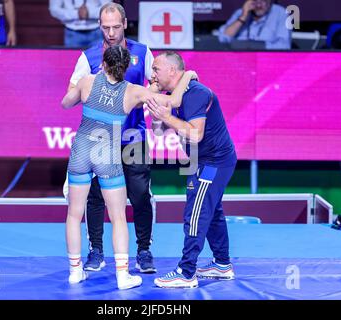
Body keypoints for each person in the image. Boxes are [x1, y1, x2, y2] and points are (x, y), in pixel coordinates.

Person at [61, 45, 196, 289]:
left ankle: (74, 272)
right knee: (119, 216)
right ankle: (123, 276)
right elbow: (173, 99)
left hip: (81, 150)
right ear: (126, 68)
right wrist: (187, 74)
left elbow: (65, 103)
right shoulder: (132, 92)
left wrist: (81, 93)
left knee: (74, 214)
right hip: (107, 155)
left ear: (103, 64)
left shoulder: (86, 81)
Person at [62, 2, 157, 274]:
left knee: (139, 195)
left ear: (125, 23)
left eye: (116, 26)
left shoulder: (142, 52)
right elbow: (72, 91)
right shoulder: (88, 58)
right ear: (99, 26)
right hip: (99, 142)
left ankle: (144, 250)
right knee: (94, 198)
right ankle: (96, 251)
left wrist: (141, 101)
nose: (112, 32)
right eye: (106, 27)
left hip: (133, 138)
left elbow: (157, 83)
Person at [147, 51, 237, 288]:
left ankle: (186, 273)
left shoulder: (197, 93)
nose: (152, 74)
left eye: (156, 69)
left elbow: (195, 134)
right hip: (199, 160)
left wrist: (167, 115)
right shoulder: (171, 96)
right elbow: (158, 131)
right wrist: (157, 105)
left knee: (196, 213)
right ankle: (222, 265)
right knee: (213, 211)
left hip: (214, 161)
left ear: (173, 72)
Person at [217, 0, 291, 50]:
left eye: (262, 1)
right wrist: (243, 17)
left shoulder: (281, 13)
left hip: (267, 61)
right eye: (255, 1)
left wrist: (254, 45)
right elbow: (223, 38)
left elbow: (284, 45)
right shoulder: (241, 13)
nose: (258, 5)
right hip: (240, 61)